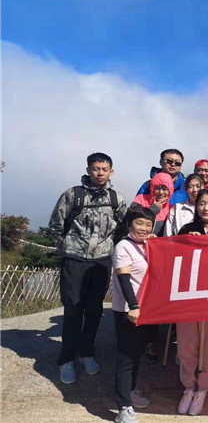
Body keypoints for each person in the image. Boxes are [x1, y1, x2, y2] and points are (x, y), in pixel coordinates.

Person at [48, 153, 127, 385]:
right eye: (96, 169)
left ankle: (87, 353)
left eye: (104, 169)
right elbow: (56, 225)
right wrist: (66, 249)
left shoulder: (116, 199)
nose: (100, 173)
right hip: (74, 259)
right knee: (73, 309)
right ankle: (67, 359)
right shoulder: (73, 195)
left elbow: (124, 228)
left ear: (111, 172)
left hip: (101, 261)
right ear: (88, 170)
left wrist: (110, 249)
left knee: (94, 309)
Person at [176, 190, 208, 415]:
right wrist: (187, 242)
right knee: (187, 343)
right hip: (188, 294)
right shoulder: (187, 230)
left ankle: (203, 388)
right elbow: (174, 255)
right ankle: (188, 386)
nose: (206, 208)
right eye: (202, 204)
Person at [111, 206, 156, 423]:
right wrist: (133, 306)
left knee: (136, 354)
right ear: (130, 224)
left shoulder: (147, 245)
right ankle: (123, 407)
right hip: (128, 310)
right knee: (126, 357)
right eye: (139, 223)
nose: (144, 228)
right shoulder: (123, 247)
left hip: (146, 310)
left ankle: (130, 391)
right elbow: (124, 279)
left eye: (148, 224)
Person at [132, 172, 174, 237]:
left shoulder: (171, 209)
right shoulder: (140, 199)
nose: (161, 192)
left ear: (170, 191)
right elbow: (131, 221)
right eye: (157, 188)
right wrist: (154, 209)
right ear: (152, 189)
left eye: (164, 189)